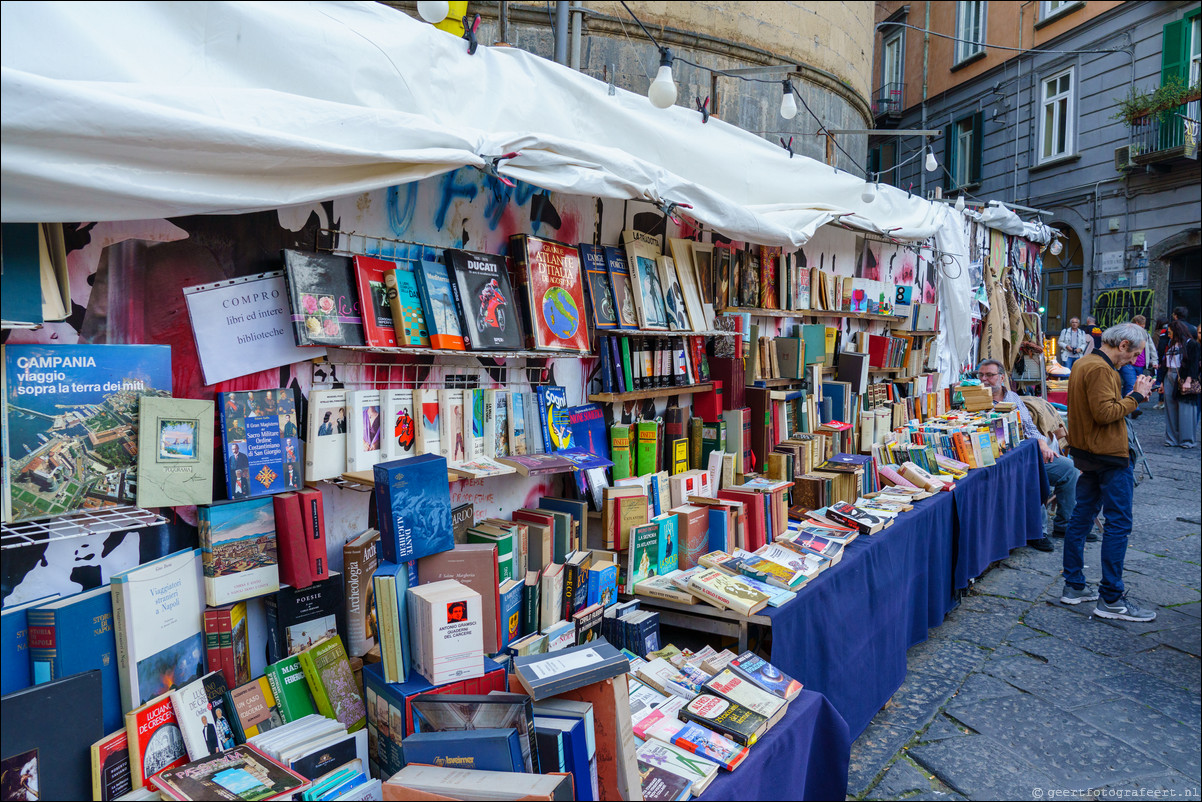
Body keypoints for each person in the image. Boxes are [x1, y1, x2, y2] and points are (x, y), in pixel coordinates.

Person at [1059, 322, 1156, 622]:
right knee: (1118, 524)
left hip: (1088, 454)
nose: (1134, 360)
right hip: (1108, 456)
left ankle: (1074, 585)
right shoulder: (1102, 369)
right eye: (1134, 354)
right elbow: (1105, 413)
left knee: (1081, 517)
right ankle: (1111, 598)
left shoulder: (1084, 363)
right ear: (1123, 345)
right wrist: (1137, 396)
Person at [976, 360, 1078, 552]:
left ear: (1001, 377)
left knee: (1068, 469)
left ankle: (1064, 525)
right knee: (1034, 475)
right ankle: (1038, 532)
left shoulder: (1012, 397)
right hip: (998, 460)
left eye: (989, 375)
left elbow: (1030, 428)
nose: (984, 379)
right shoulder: (974, 399)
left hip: (1024, 453)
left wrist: (1042, 444)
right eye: (980, 375)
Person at [1161, 319, 1201, 449]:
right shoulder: (1171, 343)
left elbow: (1194, 364)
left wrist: (1189, 380)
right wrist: (1161, 382)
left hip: (1183, 377)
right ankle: (1171, 438)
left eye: (1170, 332)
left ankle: (1187, 440)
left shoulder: (1191, 344)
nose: (1168, 334)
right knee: (1170, 408)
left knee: (1186, 409)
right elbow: (1164, 363)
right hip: (1169, 376)